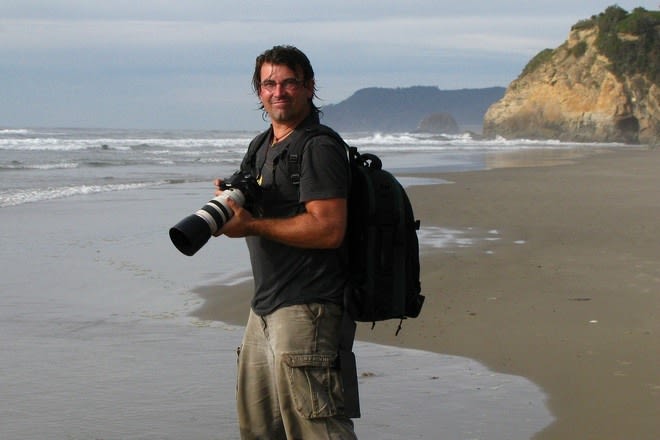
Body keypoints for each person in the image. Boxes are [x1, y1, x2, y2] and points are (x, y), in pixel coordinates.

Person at [215, 45, 358, 439]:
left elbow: (329, 229)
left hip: (307, 308)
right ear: (259, 91)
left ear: (309, 87)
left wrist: (253, 226)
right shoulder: (262, 145)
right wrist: (230, 202)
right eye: (269, 84)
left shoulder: (319, 147)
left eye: (289, 82)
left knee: (317, 429)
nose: (278, 92)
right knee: (259, 429)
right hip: (264, 307)